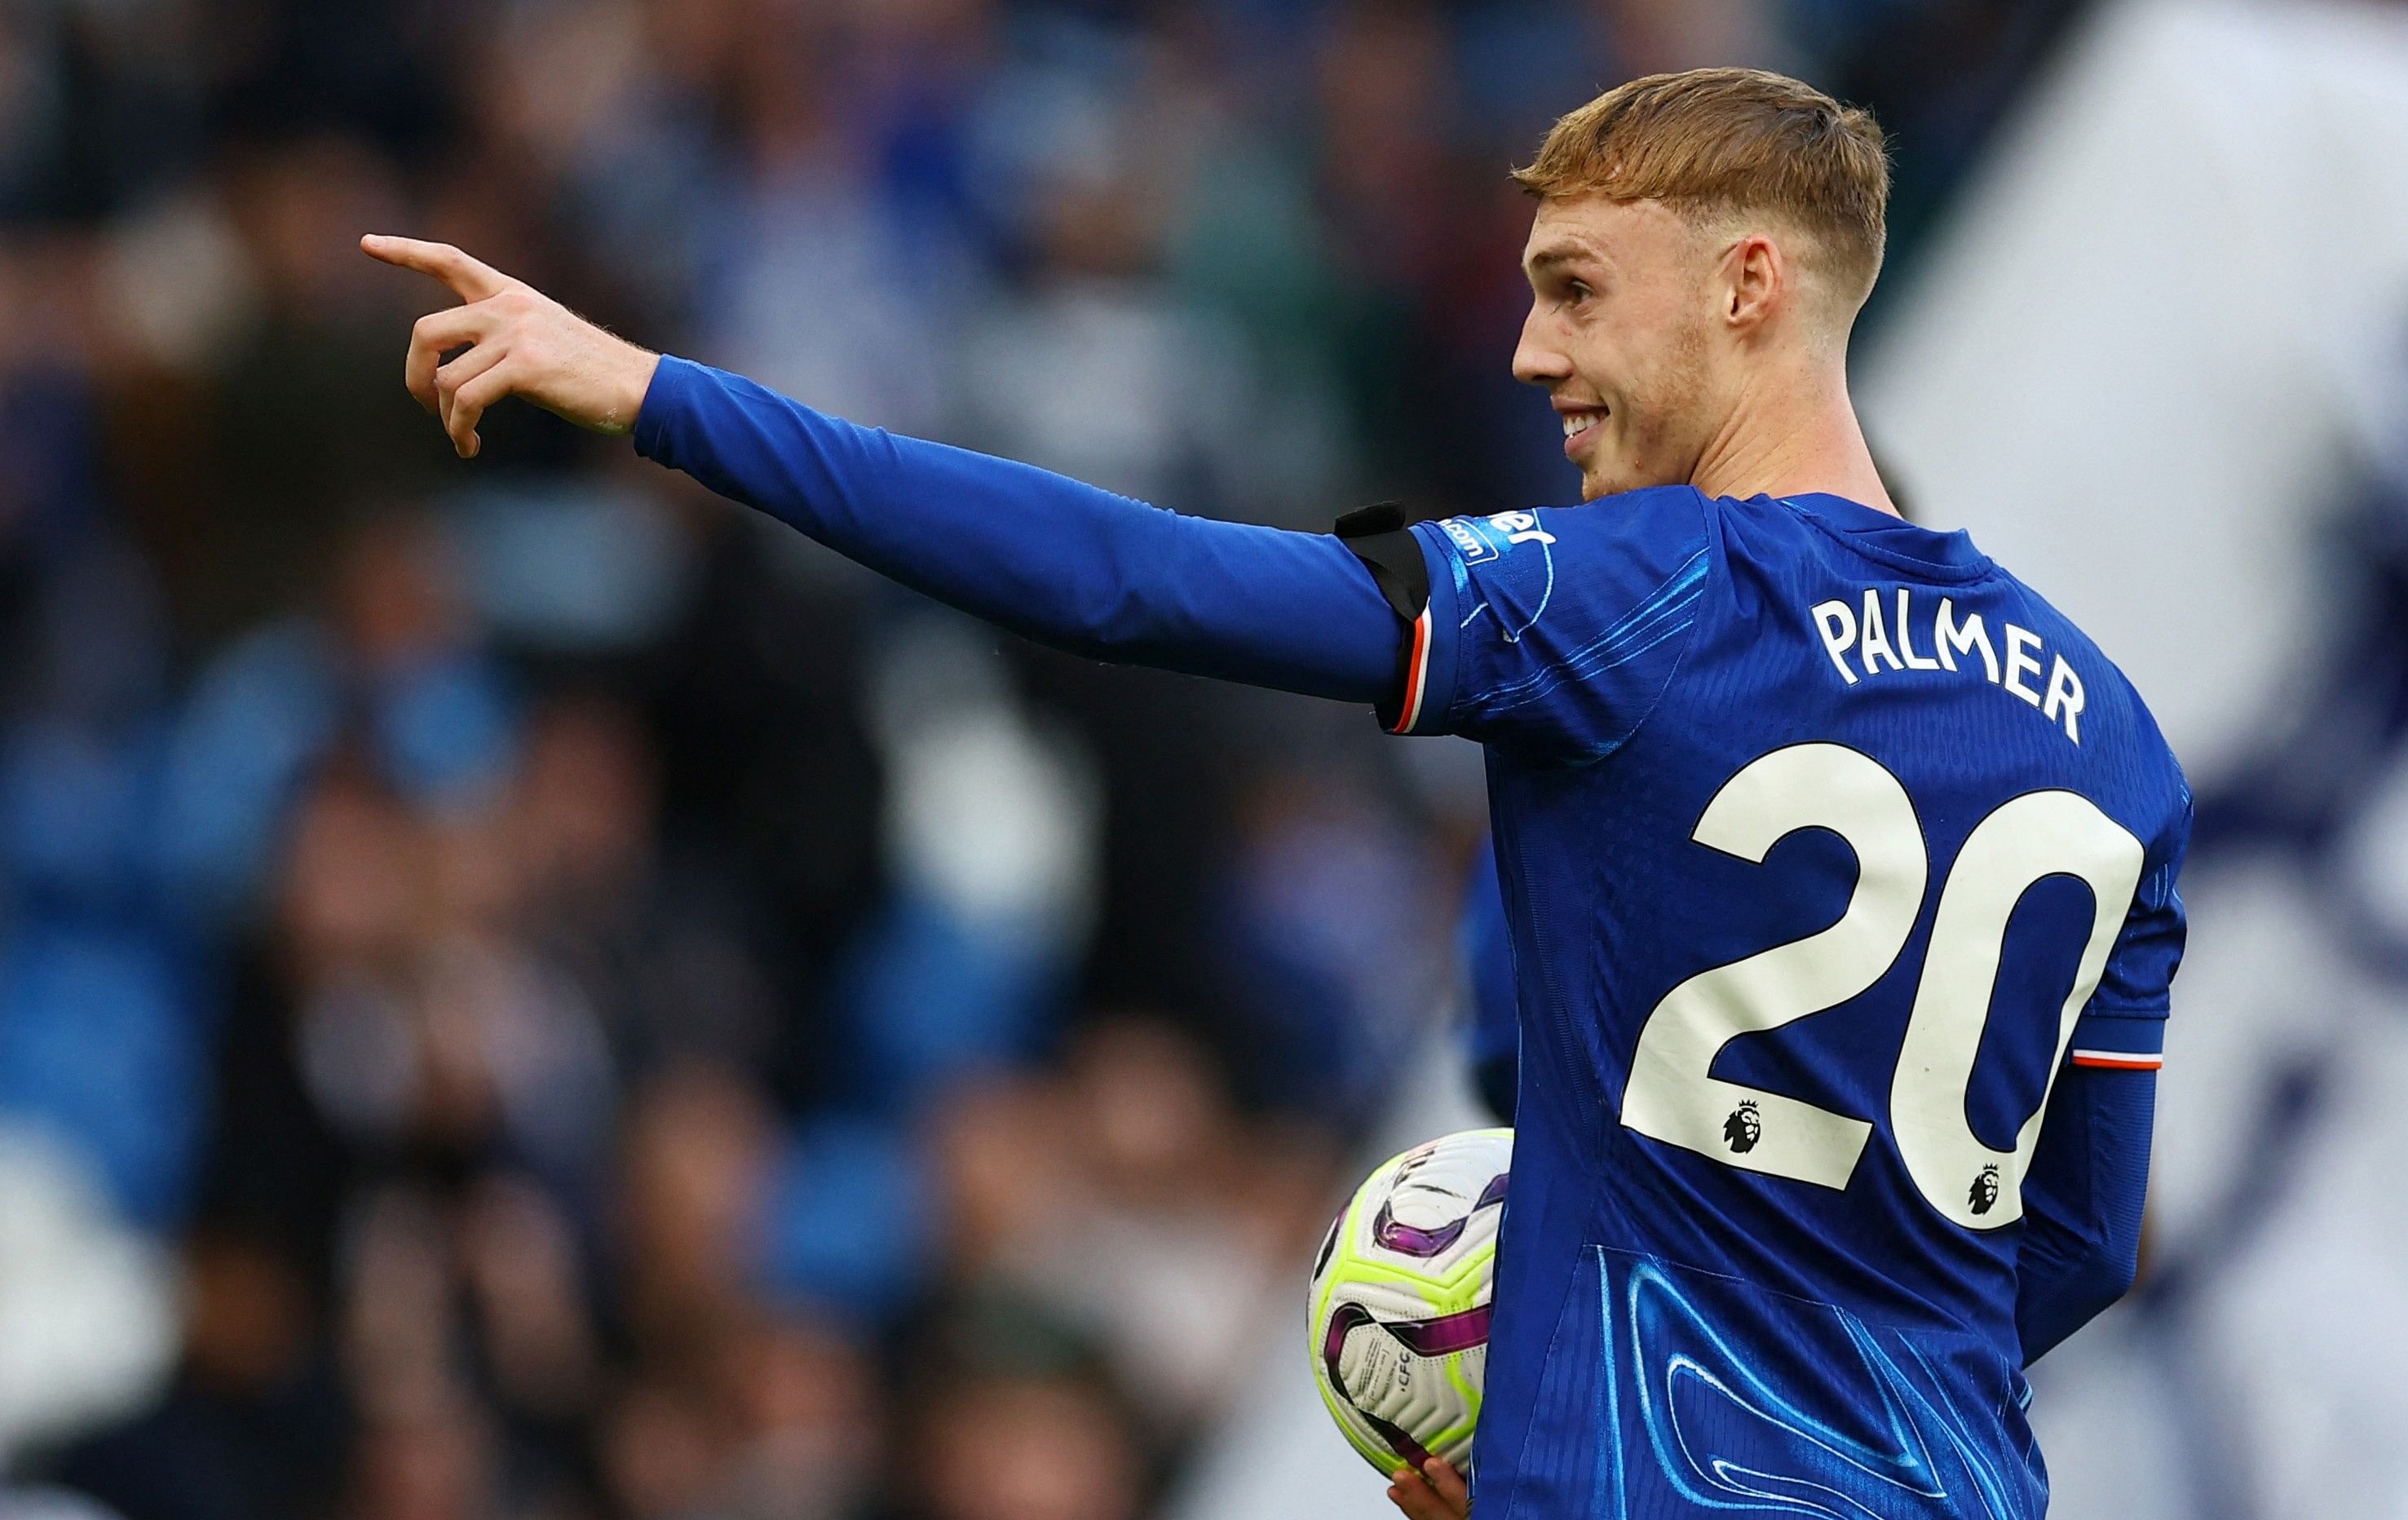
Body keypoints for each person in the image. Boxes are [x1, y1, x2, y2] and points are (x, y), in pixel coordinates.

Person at [366, 66, 2188, 1520]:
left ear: (1747, 285)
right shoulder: (2111, 737)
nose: (1527, 353)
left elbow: (1130, 578)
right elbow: (2084, 1243)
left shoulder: (1632, 595)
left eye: (1574, 290)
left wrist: (661, 393)